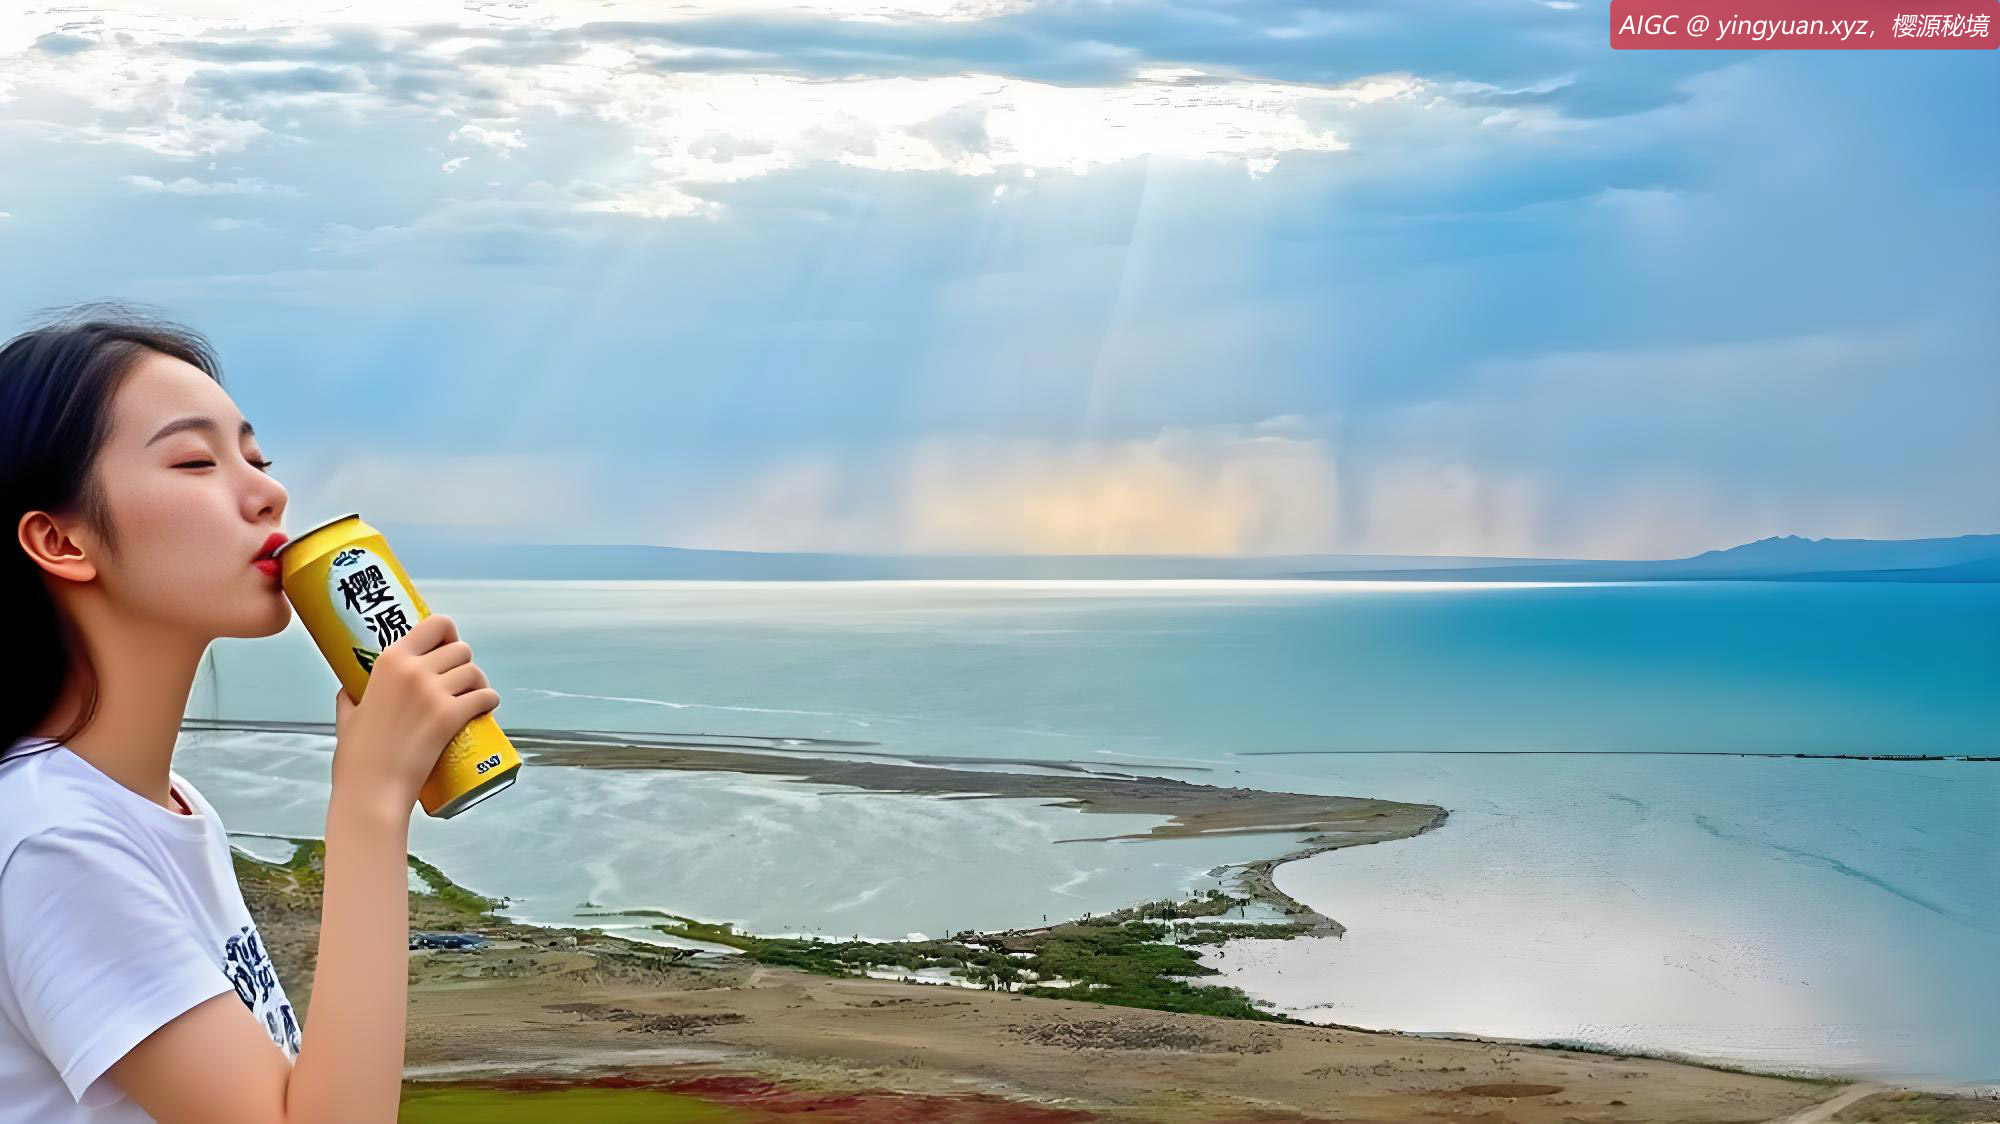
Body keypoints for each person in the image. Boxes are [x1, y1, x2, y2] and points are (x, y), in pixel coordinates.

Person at [0, 302, 501, 1123]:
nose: (269, 493)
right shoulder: (54, 843)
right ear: (61, 542)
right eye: (196, 463)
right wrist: (370, 805)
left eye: (257, 457)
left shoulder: (170, 809)